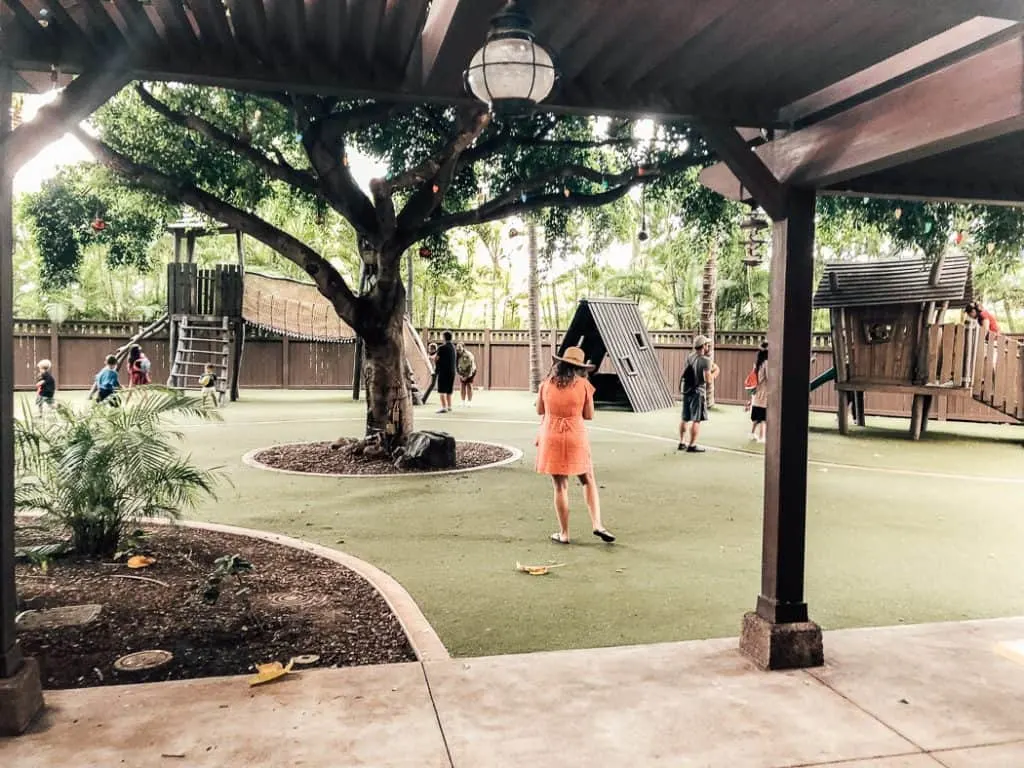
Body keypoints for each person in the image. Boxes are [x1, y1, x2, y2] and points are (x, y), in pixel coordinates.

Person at [535, 346, 615, 545]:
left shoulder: (546, 384)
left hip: (551, 434)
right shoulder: (584, 385)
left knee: (560, 486)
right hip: (575, 436)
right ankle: (597, 524)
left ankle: (564, 533)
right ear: (580, 368)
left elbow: (539, 410)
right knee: (588, 479)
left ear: (560, 364)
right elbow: (589, 415)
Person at [678, 335, 719, 453]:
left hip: (687, 390)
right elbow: (708, 379)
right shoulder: (706, 360)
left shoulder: (690, 357)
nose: (708, 346)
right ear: (703, 346)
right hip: (698, 392)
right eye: (707, 344)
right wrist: (716, 372)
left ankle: (682, 442)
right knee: (696, 420)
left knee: (685, 418)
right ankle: (692, 445)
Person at [749, 342, 768, 443]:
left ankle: (752, 433)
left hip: (757, 393)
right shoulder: (766, 363)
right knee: (764, 418)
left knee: (757, 416)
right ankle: (762, 437)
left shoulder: (757, 364)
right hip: (764, 393)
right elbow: (769, 377)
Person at [433, 331, 457, 414]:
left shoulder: (441, 347)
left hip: (443, 371)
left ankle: (444, 407)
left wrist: (432, 359)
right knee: (449, 390)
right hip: (452, 371)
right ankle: (449, 406)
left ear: (444, 337)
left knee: (442, 390)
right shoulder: (453, 347)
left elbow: (436, 358)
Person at [456, 342, 477, 407]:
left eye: (460, 347)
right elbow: (456, 366)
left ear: (463, 347)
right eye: (457, 347)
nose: (458, 349)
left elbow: (470, 367)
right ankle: (463, 402)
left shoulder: (468, 355)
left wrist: (467, 376)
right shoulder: (456, 354)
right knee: (462, 385)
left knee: (469, 385)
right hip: (462, 371)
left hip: (471, 371)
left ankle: (469, 402)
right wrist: (460, 375)